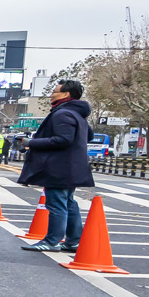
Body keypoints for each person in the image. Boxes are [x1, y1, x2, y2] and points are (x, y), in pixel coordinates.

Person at [18, 78, 93, 252]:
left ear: (66, 94)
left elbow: (63, 139)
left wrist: (31, 142)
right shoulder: (78, 114)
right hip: (72, 167)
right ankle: (73, 241)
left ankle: (51, 241)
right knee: (68, 203)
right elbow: (87, 136)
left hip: (59, 167)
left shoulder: (62, 114)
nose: (51, 95)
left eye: (54, 91)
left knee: (57, 204)